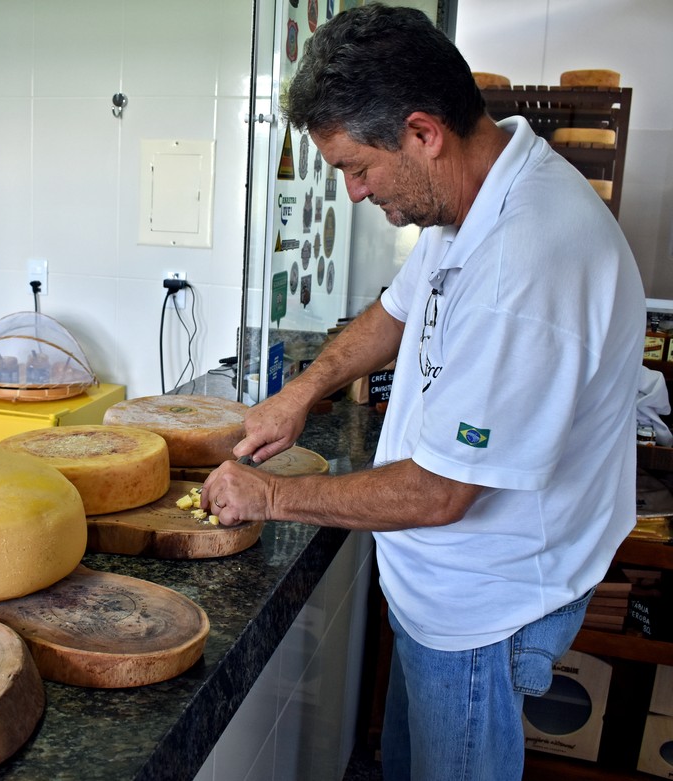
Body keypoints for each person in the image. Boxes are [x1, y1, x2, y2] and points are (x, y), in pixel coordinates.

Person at [200, 4, 645, 779]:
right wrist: (301, 391)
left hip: (485, 611)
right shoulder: (472, 195)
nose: (354, 193)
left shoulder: (527, 265)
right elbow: (396, 312)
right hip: (441, 592)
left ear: (422, 131)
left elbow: (443, 493)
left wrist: (269, 498)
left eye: (355, 167)